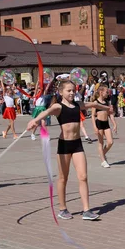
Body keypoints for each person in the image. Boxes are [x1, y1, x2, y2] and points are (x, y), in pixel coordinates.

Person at [26, 80, 113, 221]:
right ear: (61, 92)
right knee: (63, 178)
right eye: (69, 90)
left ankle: (86, 210)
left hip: (77, 144)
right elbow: (47, 112)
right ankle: (62, 208)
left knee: (83, 177)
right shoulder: (58, 106)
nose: (72, 93)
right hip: (64, 145)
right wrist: (34, 120)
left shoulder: (78, 105)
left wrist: (106, 108)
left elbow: (94, 104)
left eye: (73, 90)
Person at [92, 85, 117, 168]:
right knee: (101, 142)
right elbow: (92, 116)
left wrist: (114, 124)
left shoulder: (107, 102)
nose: (107, 93)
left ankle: (102, 154)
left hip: (106, 123)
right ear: (101, 92)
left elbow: (110, 114)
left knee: (110, 142)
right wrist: (95, 127)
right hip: (99, 123)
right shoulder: (95, 102)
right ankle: (103, 161)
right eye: (106, 92)